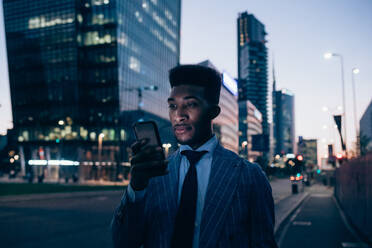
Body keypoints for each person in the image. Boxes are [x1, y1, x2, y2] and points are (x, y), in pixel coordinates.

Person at [111, 64, 278, 248]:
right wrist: (136, 188)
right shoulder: (154, 174)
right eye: (173, 106)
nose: (179, 115)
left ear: (213, 112)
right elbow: (123, 242)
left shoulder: (249, 176)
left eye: (190, 104)